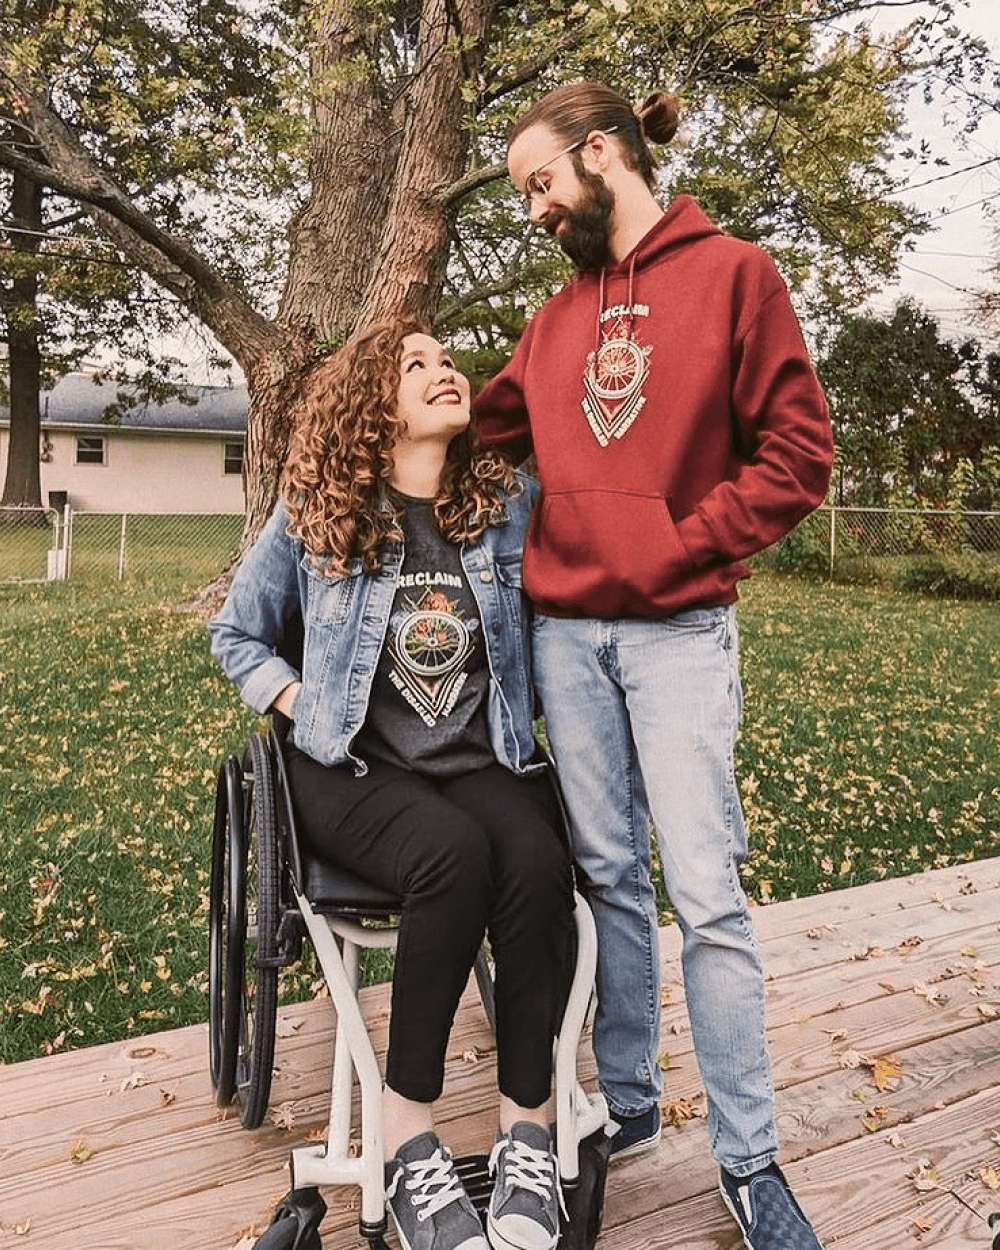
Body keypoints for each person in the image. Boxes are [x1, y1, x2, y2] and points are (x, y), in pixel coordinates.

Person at [472, 81, 834, 1250]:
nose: (532, 209)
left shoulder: (736, 275)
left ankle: (748, 1157)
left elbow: (798, 453)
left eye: (539, 183)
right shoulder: (553, 318)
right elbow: (477, 426)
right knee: (609, 881)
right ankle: (627, 1102)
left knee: (708, 895)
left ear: (600, 155)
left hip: (679, 633)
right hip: (566, 636)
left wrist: (682, 541)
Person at [209, 318, 574, 1250]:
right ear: (372, 405)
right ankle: (409, 1142)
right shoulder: (318, 515)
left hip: (479, 759)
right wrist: (302, 703)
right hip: (351, 768)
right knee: (449, 857)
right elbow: (236, 635)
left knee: (534, 857)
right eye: (416, 365)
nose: (445, 371)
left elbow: (577, 596)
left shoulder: (507, 506)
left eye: (448, 359)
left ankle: (527, 1130)